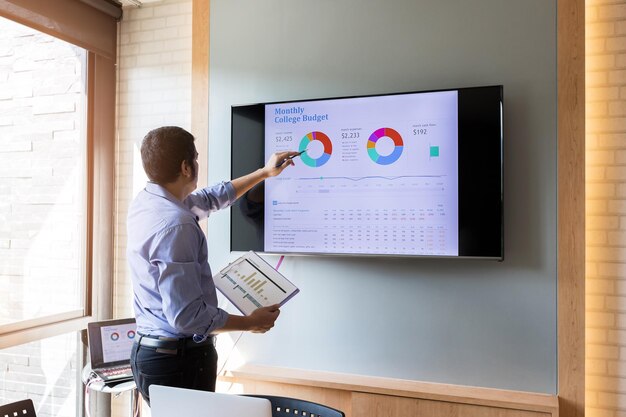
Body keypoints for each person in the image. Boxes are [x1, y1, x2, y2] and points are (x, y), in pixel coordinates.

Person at [126, 126, 298, 405]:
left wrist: (264, 173)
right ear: (185, 167)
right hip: (177, 362)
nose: (197, 163)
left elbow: (209, 199)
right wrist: (250, 323)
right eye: (194, 158)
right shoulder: (176, 225)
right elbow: (186, 317)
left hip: (155, 353)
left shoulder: (149, 201)